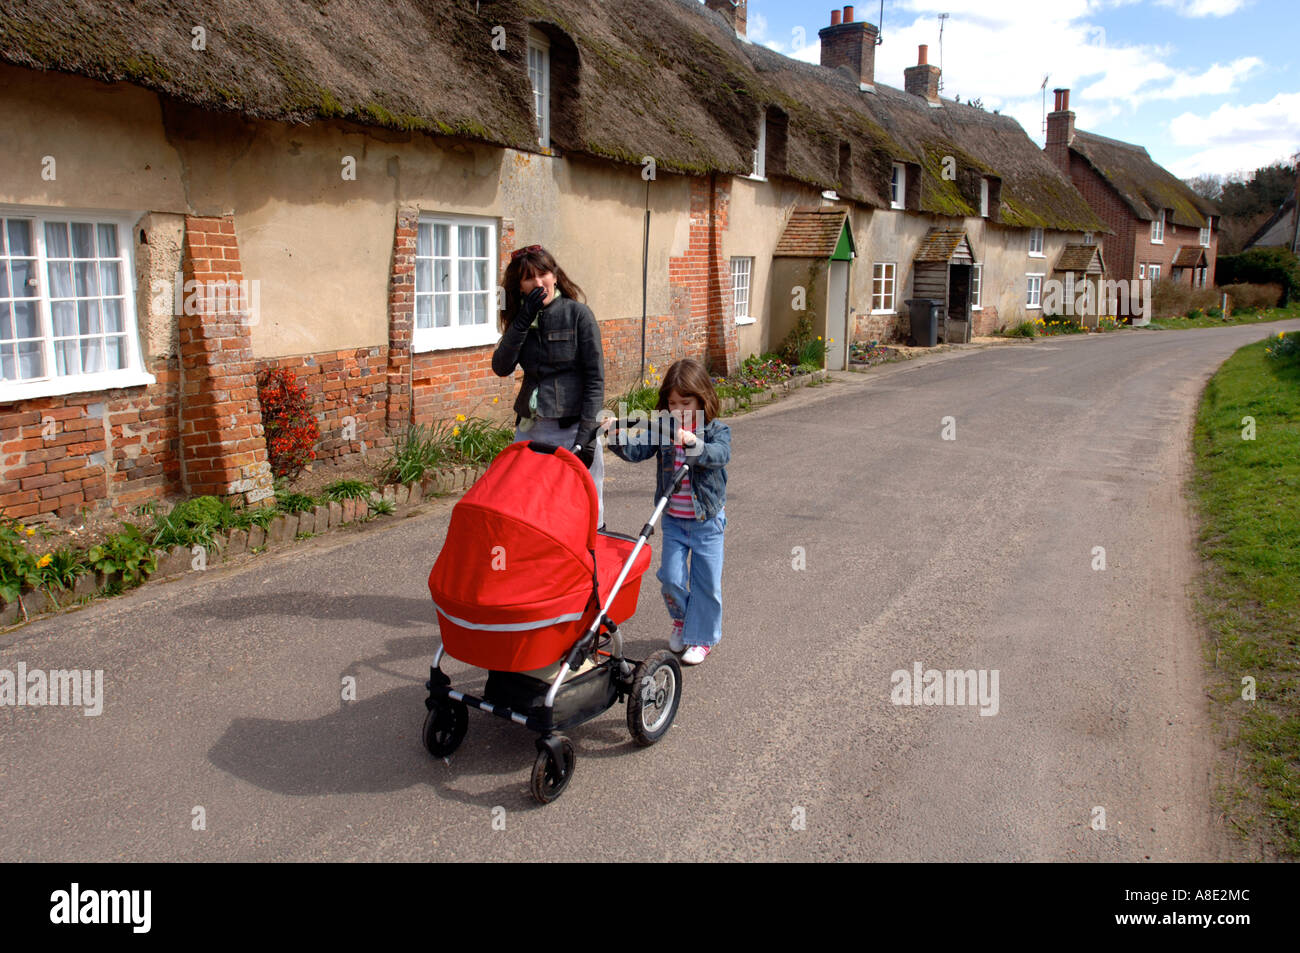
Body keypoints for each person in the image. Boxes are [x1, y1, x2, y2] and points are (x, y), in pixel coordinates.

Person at [603, 359, 730, 665]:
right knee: (671, 578)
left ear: (702, 398)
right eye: (672, 403)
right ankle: (683, 621)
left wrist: (694, 443)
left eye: (685, 402)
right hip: (674, 519)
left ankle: (702, 638)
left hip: (707, 522)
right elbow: (637, 451)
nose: (678, 410)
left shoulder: (716, 431)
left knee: (706, 584)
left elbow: (719, 455)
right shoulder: (665, 429)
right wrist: (613, 435)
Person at [492, 245, 607, 526]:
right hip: (532, 429)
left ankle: (592, 562)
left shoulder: (578, 315)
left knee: (586, 507)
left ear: (555, 276)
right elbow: (501, 366)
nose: (538, 282)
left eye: (543, 273)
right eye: (529, 278)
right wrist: (521, 319)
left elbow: (595, 379)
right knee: (530, 506)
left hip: (572, 428)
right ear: (519, 286)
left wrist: (587, 435)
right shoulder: (520, 320)